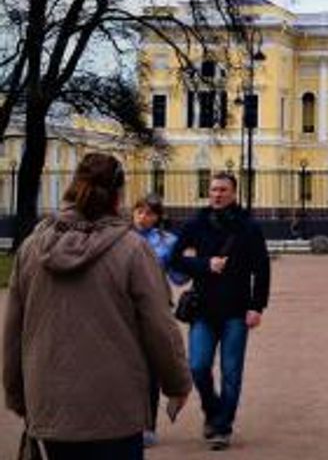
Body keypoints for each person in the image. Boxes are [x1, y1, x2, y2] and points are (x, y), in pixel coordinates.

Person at [3, 153, 191, 459]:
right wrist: (177, 382)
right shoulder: (132, 250)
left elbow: (13, 330)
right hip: (116, 405)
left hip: (51, 400)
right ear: (118, 195)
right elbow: (159, 325)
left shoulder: (32, 248)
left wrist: (16, 393)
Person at [172, 172, 270, 451]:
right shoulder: (195, 223)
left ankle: (222, 428)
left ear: (233, 193)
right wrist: (205, 265)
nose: (217, 194)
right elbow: (175, 260)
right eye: (214, 189)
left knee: (231, 372)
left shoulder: (248, 227)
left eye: (223, 190)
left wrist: (257, 306)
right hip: (203, 308)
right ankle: (213, 411)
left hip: (236, 310)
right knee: (198, 366)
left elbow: (261, 269)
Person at [132, 194, 189, 449]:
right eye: (139, 212)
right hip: (125, 310)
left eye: (149, 213)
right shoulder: (122, 238)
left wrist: (186, 261)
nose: (143, 218)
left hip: (155, 308)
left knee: (152, 368)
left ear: (158, 216)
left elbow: (178, 278)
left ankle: (148, 426)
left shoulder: (167, 242)